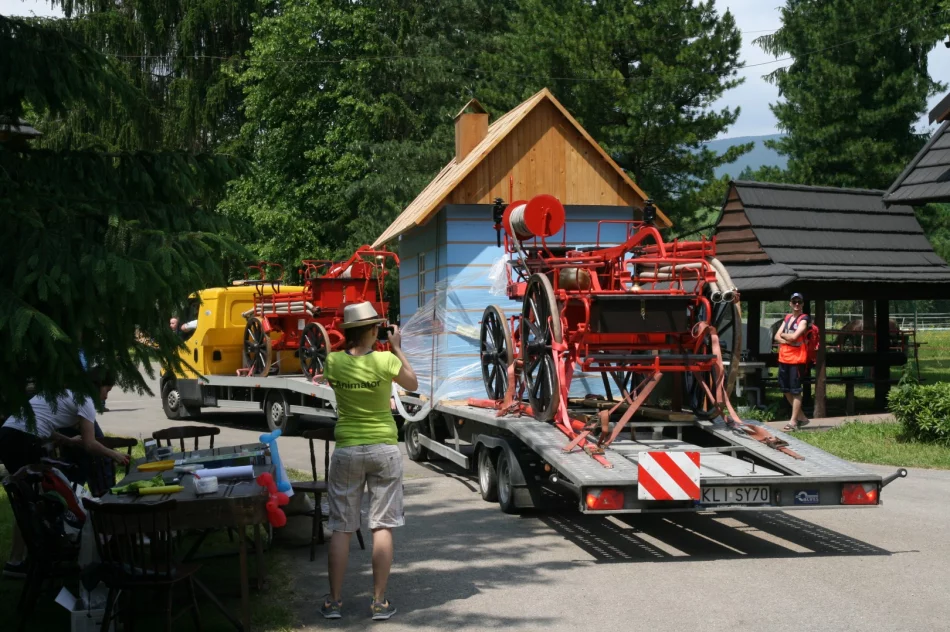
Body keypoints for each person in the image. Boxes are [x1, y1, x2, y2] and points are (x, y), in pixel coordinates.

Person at [320, 302, 417, 621]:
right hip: (383, 448)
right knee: (382, 526)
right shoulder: (386, 359)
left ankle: (334, 603)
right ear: (375, 330)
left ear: (348, 331)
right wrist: (397, 348)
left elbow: (335, 385)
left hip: (347, 448)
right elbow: (412, 384)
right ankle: (378, 602)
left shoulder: (333, 362)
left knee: (341, 528)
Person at [0, 366, 129, 578]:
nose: (106, 396)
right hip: (22, 440)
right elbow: (90, 443)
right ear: (98, 386)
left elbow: (41, 420)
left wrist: (68, 440)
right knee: (31, 502)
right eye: (107, 390)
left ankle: (23, 557)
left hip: (7, 434)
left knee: (28, 499)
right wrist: (113, 455)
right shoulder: (86, 400)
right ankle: (20, 560)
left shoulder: (63, 391)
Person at [775, 292, 811, 431]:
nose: (797, 304)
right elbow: (776, 336)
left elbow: (795, 337)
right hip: (784, 358)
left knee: (795, 390)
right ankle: (801, 416)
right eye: (794, 301)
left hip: (796, 360)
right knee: (785, 388)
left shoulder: (804, 319)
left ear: (802, 304)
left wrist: (785, 336)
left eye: (799, 302)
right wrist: (787, 337)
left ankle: (793, 421)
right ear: (790, 303)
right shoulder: (788, 317)